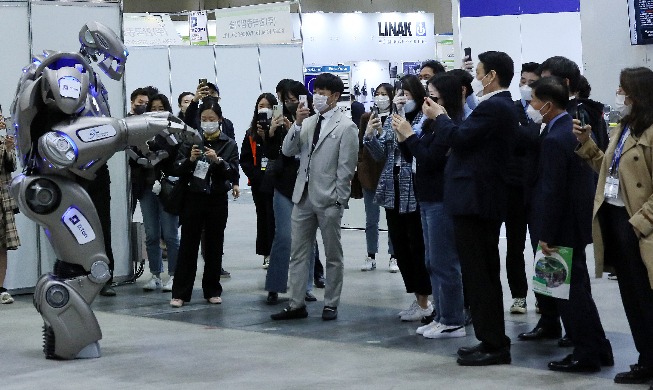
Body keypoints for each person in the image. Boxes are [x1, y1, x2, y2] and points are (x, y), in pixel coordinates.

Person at [425, 51, 518, 366]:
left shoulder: (495, 108)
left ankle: (494, 343)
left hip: (477, 202)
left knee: (481, 275)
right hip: (475, 200)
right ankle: (490, 338)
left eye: (479, 72)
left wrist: (440, 116)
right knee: (481, 274)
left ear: (491, 75)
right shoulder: (497, 109)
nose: (476, 78)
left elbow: (459, 138)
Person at [527, 76, 613, 373]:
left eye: (534, 101)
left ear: (548, 105)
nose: (531, 106)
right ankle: (598, 347)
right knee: (575, 291)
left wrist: (545, 234)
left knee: (568, 295)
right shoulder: (566, 131)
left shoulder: (554, 138)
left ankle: (585, 353)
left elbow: (552, 190)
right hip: (572, 225)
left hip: (559, 228)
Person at [575, 67, 653, 383]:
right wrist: (588, 146)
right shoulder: (624, 128)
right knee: (632, 298)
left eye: (623, 90)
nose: (619, 95)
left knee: (647, 299)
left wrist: (640, 223)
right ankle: (646, 358)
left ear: (639, 95)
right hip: (615, 218)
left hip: (640, 226)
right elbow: (611, 172)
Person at [271, 73, 358, 321]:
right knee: (298, 252)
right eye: (315, 91)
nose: (317, 96)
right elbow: (288, 151)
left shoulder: (346, 127)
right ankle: (296, 303)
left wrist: (340, 199)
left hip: (329, 198)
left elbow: (346, 167)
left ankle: (331, 302)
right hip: (302, 196)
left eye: (323, 92)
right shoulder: (308, 122)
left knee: (333, 254)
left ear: (335, 96)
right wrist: (297, 124)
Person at [394, 73, 466, 339]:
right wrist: (404, 137)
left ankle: (453, 320)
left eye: (433, 96)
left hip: (441, 199)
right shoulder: (431, 124)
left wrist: (409, 135)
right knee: (432, 261)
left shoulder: (449, 124)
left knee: (444, 262)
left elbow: (430, 159)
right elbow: (414, 156)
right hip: (425, 197)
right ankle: (441, 315)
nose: (427, 101)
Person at [363, 75, 433, 322]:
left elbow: (420, 153)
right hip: (392, 193)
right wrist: (371, 135)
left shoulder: (425, 119)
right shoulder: (394, 119)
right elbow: (381, 153)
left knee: (418, 247)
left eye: (407, 94)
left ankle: (426, 300)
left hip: (415, 193)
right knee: (401, 248)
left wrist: (405, 128)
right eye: (398, 94)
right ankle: (418, 299)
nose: (401, 98)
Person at [170, 98, 240, 308]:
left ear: (220, 120)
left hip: (217, 198)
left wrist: (219, 162)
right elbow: (176, 168)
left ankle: (212, 289)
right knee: (188, 245)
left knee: (214, 245)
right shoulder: (191, 140)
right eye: (204, 119)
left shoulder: (228, 143)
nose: (207, 123)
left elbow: (234, 171)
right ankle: (180, 292)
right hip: (193, 197)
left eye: (212, 119)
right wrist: (190, 160)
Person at [264, 80, 320, 304]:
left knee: (308, 238)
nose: (288, 103)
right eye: (283, 99)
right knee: (284, 235)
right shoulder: (275, 119)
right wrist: (273, 132)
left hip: (308, 183)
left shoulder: (315, 119)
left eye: (292, 99)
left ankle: (305, 286)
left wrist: (297, 127)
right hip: (284, 184)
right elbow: (271, 154)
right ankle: (275, 285)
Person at [502, 62, 541, 315]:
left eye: (531, 82)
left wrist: (522, 134)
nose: (526, 87)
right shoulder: (511, 109)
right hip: (513, 187)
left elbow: (535, 140)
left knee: (542, 244)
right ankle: (519, 296)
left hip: (538, 187)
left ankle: (544, 298)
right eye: (523, 81)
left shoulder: (546, 112)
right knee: (514, 245)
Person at [138, 94, 180, 292]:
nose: (156, 111)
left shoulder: (172, 130)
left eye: (160, 107)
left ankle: (174, 275)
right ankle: (155, 274)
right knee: (151, 234)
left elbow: (171, 152)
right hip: (146, 188)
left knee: (171, 233)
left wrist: (153, 147)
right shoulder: (140, 130)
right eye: (152, 108)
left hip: (167, 187)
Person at [359, 83, 396, 272]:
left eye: (384, 94)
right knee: (371, 219)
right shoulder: (367, 118)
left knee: (392, 219)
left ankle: (393, 256)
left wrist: (381, 132)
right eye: (378, 93)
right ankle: (371, 254)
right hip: (370, 175)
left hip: (389, 174)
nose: (381, 97)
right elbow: (361, 146)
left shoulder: (396, 118)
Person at [240, 93, 277, 269]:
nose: (264, 109)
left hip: (277, 182)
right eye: (261, 105)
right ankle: (266, 253)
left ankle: (281, 252)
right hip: (259, 183)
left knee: (276, 217)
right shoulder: (250, 133)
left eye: (268, 106)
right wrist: (255, 176)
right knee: (263, 217)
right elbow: (245, 159)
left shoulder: (280, 130)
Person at [0, 107, 20, 304]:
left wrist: (8, 148)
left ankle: (1, 288)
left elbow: (12, 166)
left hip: (3, 198)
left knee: (2, 246)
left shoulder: (5, 142)